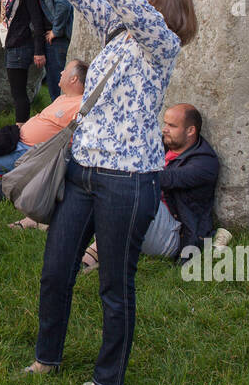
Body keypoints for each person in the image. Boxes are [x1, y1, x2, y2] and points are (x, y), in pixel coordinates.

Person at [21, 0, 196, 385]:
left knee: (115, 288)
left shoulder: (160, 42)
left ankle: (106, 382)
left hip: (128, 182)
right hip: (83, 174)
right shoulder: (119, 33)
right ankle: (46, 358)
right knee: (57, 269)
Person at [69, 105, 223, 272]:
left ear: (191, 130)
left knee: (130, 190)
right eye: (165, 124)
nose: (165, 129)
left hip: (172, 234)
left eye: (172, 126)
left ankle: (92, 252)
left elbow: (164, 179)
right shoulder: (163, 145)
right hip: (148, 220)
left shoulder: (204, 163)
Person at [35, 0, 74, 100]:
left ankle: (60, 121)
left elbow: (63, 5)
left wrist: (56, 30)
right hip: (53, 37)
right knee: (53, 81)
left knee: (57, 83)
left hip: (57, 39)